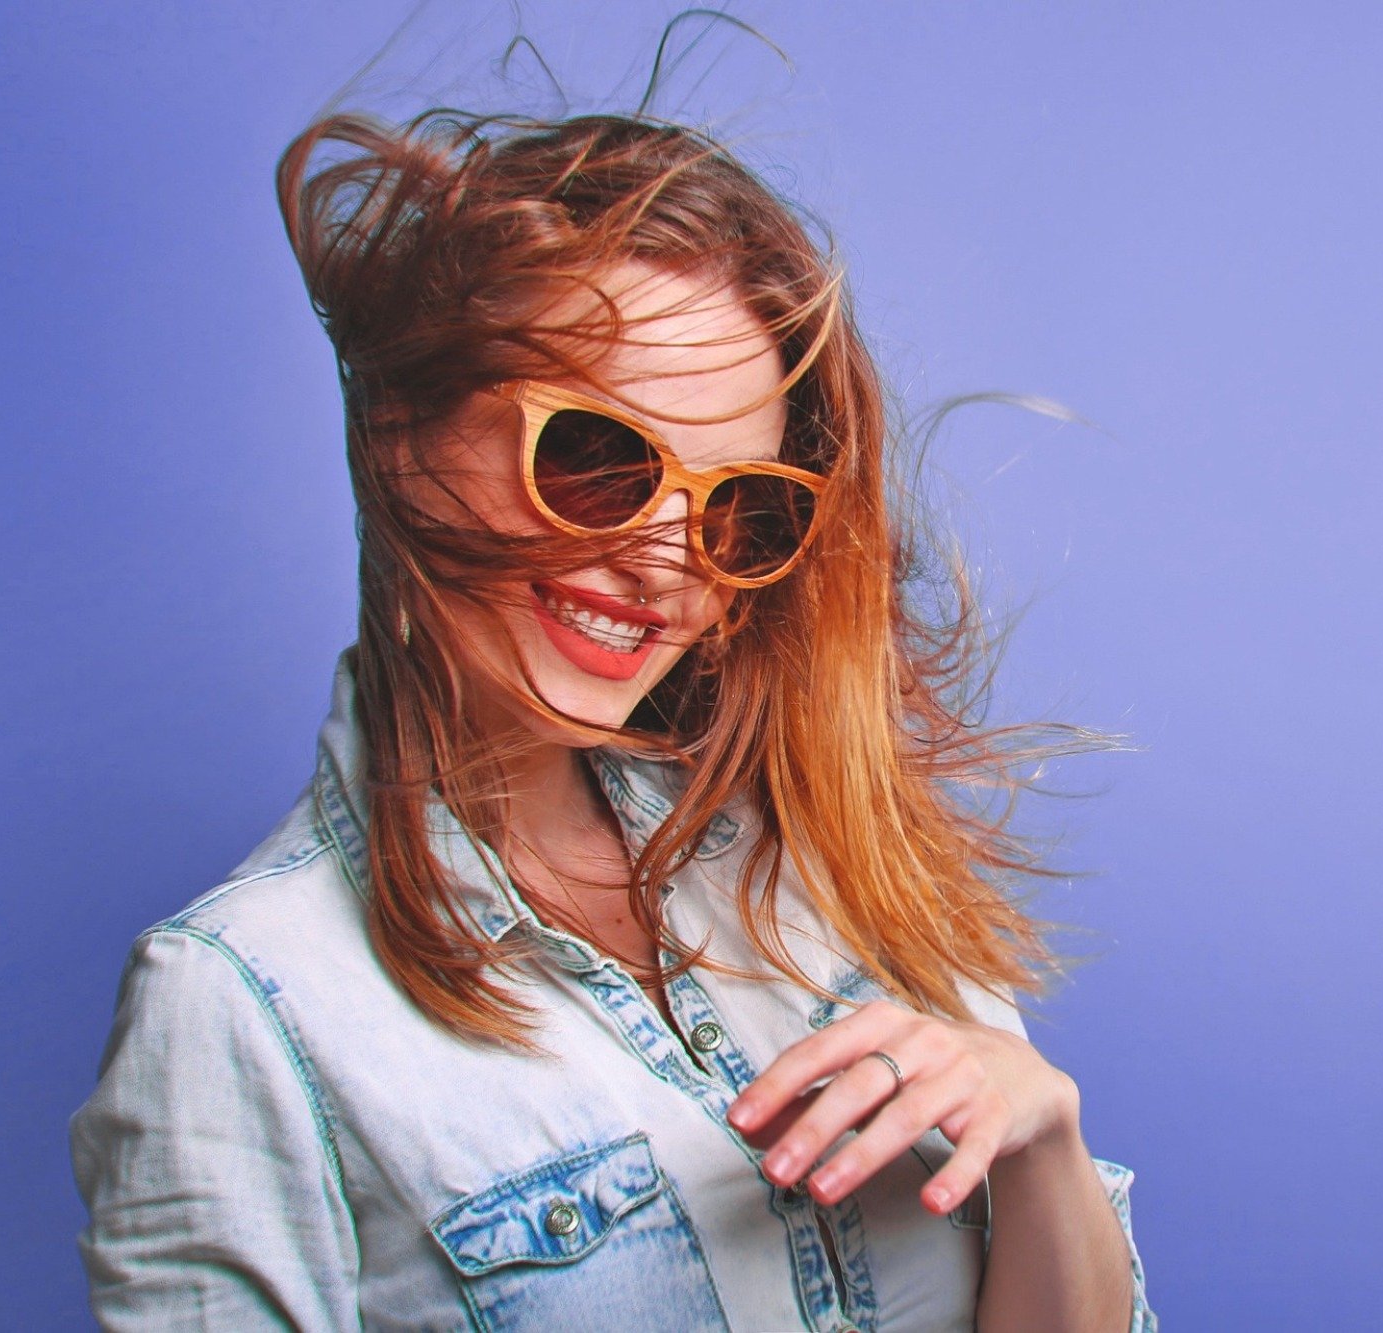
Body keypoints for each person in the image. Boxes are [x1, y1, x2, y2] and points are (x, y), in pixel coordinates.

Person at [69, 97, 1157, 1332]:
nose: (663, 560)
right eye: (595, 456)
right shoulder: (240, 1008)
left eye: (736, 509)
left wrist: (1038, 1136)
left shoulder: (839, 851)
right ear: (402, 431)